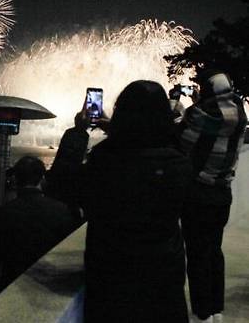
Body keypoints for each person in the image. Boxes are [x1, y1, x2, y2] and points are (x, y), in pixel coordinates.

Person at [57, 80, 191, 322]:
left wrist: (79, 131)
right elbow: (151, 146)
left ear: (120, 114)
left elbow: (62, 185)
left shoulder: (104, 162)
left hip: (112, 279)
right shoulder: (179, 164)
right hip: (163, 280)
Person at [176, 70, 247, 323]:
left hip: (197, 195)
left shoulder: (199, 115)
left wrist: (179, 106)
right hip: (222, 194)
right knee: (214, 250)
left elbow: (180, 142)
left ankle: (202, 312)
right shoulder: (239, 116)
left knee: (196, 252)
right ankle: (217, 309)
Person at [0, 155, 81, 291]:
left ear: (15, 180)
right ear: (42, 179)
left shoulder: (2, 213)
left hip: (11, 286)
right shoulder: (63, 211)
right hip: (50, 285)